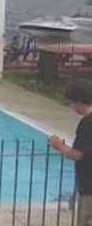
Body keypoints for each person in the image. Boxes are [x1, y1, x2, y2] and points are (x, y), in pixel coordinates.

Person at [49, 80, 92, 225]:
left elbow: (77, 154)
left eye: (71, 103)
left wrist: (59, 145)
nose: (71, 107)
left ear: (78, 101)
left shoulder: (87, 123)